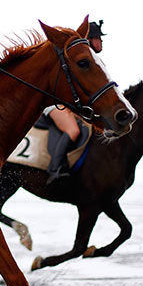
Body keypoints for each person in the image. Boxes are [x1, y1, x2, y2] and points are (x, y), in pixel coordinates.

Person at [43, 19, 106, 184]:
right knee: (73, 131)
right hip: (53, 103)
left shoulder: (93, 62)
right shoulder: (75, 57)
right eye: (99, 37)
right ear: (90, 39)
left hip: (67, 104)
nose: (102, 41)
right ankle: (54, 170)